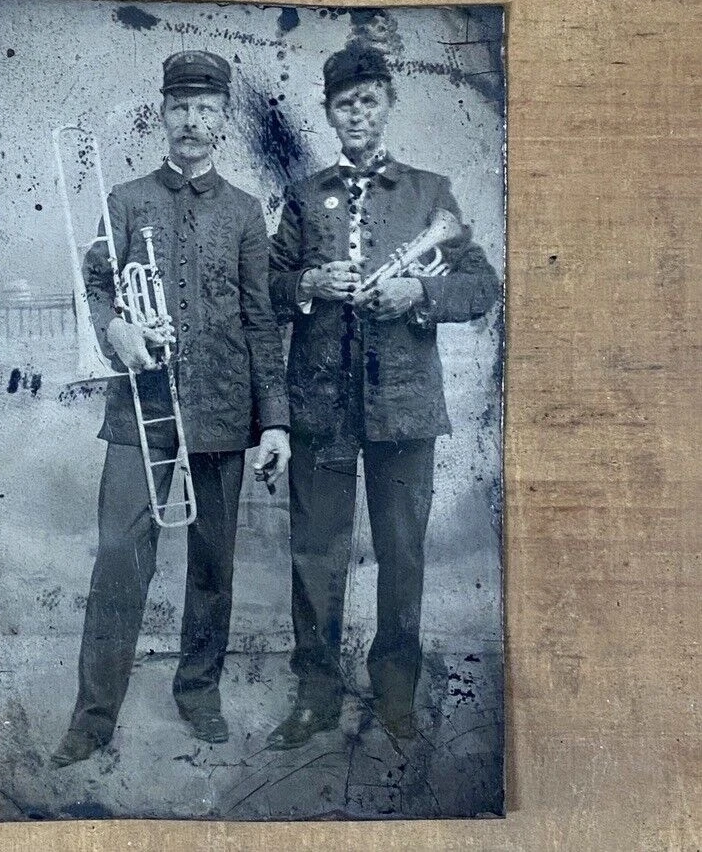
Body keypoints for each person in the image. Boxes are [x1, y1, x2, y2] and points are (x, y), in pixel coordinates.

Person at [52, 51, 290, 767]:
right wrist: (114, 330)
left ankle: (199, 693)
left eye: (205, 109)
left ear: (222, 121)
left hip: (222, 408)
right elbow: (94, 286)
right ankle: (93, 718)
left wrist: (275, 420)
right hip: (140, 410)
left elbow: (261, 321)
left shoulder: (245, 211)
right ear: (163, 114)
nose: (192, 121)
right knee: (119, 559)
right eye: (180, 107)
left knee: (213, 564)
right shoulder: (126, 200)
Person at [266, 43, 499, 749]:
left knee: (403, 555)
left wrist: (419, 292)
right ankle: (315, 695)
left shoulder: (430, 193)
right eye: (345, 104)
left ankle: (396, 694)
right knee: (315, 555)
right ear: (330, 114)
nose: (357, 114)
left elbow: (482, 286)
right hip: (320, 408)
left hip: (405, 409)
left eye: (369, 100)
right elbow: (268, 288)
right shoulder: (303, 196)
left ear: (388, 104)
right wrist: (308, 284)